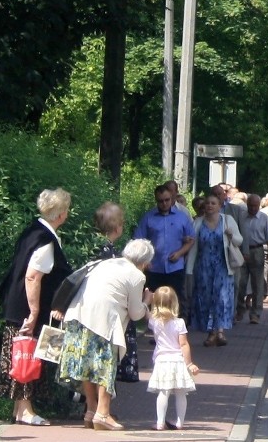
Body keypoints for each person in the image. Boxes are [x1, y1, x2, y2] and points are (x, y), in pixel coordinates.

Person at [0, 188, 73, 426]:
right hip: (28, 310)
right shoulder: (45, 240)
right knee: (28, 356)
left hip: (16, 305)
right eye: (67, 210)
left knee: (23, 356)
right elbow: (32, 277)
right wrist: (34, 312)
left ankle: (21, 408)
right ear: (60, 215)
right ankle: (26, 410)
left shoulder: (31, 231)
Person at [58, 239, 154, 431]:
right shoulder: (137, 275)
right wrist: (146, 300)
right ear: (145, 262)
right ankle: (103, 414)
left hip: (78, 315)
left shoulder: (105, 262)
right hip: (103, 321)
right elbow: (136, 313)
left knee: (86, 364)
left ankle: (91, 411)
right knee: (104, 366)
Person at [186, 192, 243, 347]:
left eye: (213, 203)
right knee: (206, 299)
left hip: (223, 266)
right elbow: (193, 248)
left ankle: (219, 331)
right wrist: (189, 269)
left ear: (219, 206)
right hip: (203, 267)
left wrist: (231, 236)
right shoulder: (198, 222)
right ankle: (211, 331)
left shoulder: (227, 220)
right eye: (208, 203)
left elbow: (239, 240)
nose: (210, 206)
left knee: (222, 298)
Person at [93, 202, 139, 383]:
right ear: (116, 226)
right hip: (107, 314)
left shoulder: (96, 247)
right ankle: (99, 407)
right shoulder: (107, 252)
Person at [132, 184, 195, 318]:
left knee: (175, 299)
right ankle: (157, 332)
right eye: (161, 201)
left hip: (175, 267)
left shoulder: (181, 217)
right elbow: (138, 240)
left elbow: (191, 240)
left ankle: (176, 331)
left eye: (167, 200)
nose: (164, 203)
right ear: (156, 200)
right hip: (155, 267)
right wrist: (145, 260)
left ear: (172, 198)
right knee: (156, 301)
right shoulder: (148, 217)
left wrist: (179, 253)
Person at [146, 286, 199, 431]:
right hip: (178, 361)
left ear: (156, 304)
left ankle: (160, 422)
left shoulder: (154, 321)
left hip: (162, 361)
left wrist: (146, 299)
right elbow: (184, 344)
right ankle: (180, 422)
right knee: (181, 393)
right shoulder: (179, 323)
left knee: (163, 392)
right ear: (175, 303)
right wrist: (189, 364)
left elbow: (145, 312)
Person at [236, 194, 268, 324]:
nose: (252, 208)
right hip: (242, 251)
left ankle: (256, 313)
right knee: (240, 282)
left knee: (257, 283)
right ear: (247, 205)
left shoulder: (264, 218)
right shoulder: (241, 217)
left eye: (255, 206)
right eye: (250, 206)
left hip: (257, 250)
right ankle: (239, 310)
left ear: (259, 205)